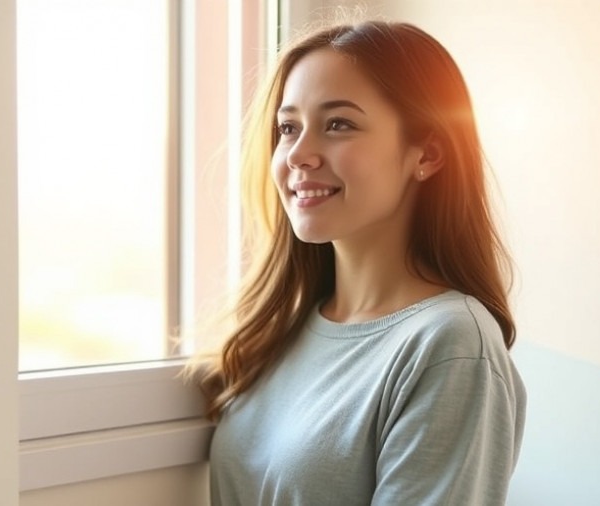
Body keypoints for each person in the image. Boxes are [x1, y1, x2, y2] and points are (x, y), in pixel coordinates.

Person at [193, 19, 526, 506]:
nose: (299, 155)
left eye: (339, 124)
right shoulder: (286, 327)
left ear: (427, 154)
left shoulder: (450, 344)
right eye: (288, 128)